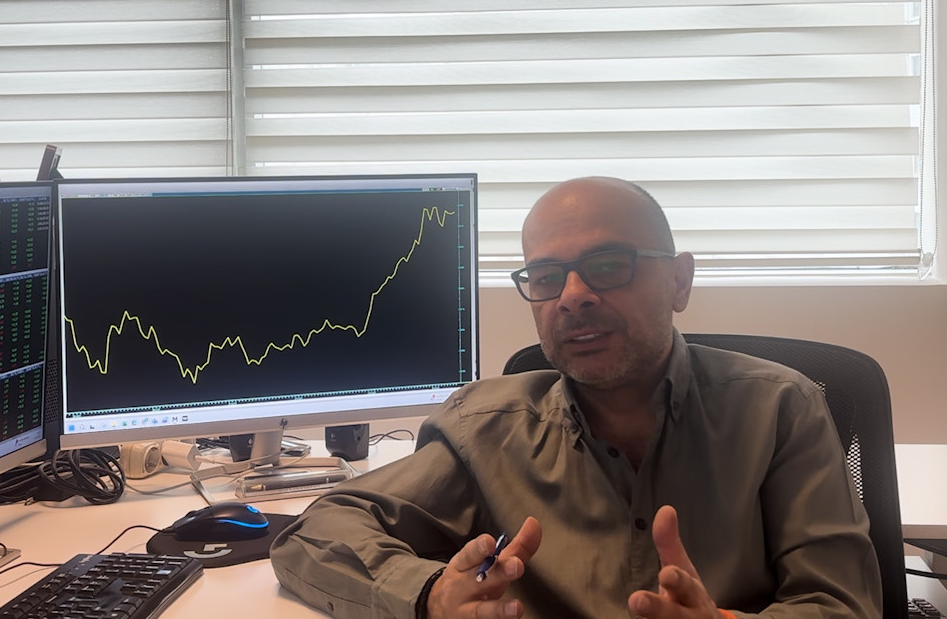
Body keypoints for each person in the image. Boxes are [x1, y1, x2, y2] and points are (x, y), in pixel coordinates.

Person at [270, 176, 881, 619]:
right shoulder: (484, 428)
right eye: (545, 276)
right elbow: (316, 531)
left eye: (608, 265)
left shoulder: (781, 410)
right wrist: (429, 594)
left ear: (679, 281)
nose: (572, 296)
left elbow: (842, 604)